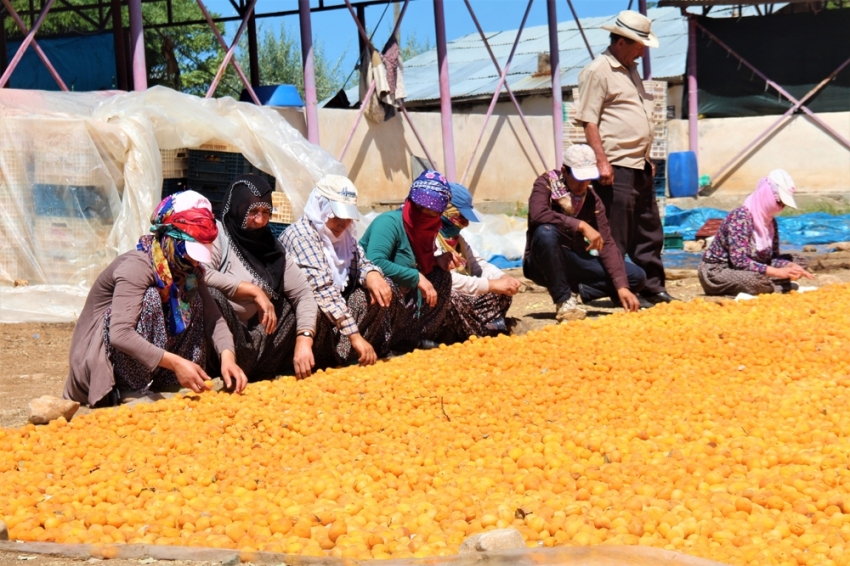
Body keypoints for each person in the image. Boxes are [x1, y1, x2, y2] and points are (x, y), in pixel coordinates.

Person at [64, 191, 247, 408]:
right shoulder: (137, 266)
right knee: (150, 297)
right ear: (171, 238)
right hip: (98, 360)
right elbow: (120, 334)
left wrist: (228, 358)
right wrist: (176, 362)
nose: (194, 261)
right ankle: (129, 389)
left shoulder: (188, 271)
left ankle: (169, 383)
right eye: (190, 251)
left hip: (153, 360)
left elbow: (213, 319)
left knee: (192, 296)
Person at [574, 10, 675, 305]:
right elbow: (588, 120)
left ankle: (652, 285)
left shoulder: (631, 70)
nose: (643, 51)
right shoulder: (598, 70)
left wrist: (646, 156)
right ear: (621, 42)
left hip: (639, 163)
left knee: (649, 229)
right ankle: (622, 290)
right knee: (616, 232)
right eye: (639, 44)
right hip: (615, 164)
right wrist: (601, 161)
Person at [203, 174, 320, 380]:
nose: (260, 221)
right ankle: (223, 366)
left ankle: (259, 367)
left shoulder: (271, 249)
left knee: (295, 309)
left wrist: (304, 338)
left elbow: (303, 293)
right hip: (217, 342)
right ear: (237, 208)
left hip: (256, 343)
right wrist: (252, 290)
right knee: (213, 296)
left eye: (266, 212)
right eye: (253, 212)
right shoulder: (217, 235)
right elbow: (201, 275)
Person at [524, 144, 648, 322]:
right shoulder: (546, 184)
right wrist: (580, 224)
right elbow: (538, 214)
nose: (584, 184)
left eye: (588, 179)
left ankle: (576, 291)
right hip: (541, 261)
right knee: (546, 232)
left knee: (635, 278)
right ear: (565, 171)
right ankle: (564, 301)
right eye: (578, 178)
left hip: (574, 261)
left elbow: (607, 243)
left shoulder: (591, 199)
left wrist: (621, 286)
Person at [280, 175, 393, 368]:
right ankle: (318, 355)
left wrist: (372, 275)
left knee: (381, 287)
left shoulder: (346, 238)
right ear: (321, 209)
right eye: (337, 216)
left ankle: (340, 355)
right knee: (315, 305)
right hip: (305, 322)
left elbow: (361, 263)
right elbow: (323, 289)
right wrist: (355, 336)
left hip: (335, 321)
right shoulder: (301, 236)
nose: (344, 223)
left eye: (348, 217)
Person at [360, 170, 456, 351]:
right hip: (374, 297)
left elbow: (413, 261)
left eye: (431, 212)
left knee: (441, 278)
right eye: (420, 208)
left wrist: (435, 262)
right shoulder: (389, 223)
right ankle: (379, 342)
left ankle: (412, 338)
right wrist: (416, 277)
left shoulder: (429, 230)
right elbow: (374, 262)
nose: (424, 214)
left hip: (405, 300)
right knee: (385, 282)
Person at [698, 170, 814, 296]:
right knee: (754, 281)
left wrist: (789, 265)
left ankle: (770, 285)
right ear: (767, 195)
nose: (780, 208)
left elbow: (772, 258)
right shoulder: (741, 218)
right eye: (779, 202)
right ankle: (774, 286)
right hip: (720, 271)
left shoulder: (770, 222)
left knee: (799, 262)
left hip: (753, 267)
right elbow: (739, 261)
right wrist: (778, 273)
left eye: (783, 205)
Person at [434, 183, 521, 340]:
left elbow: (478, 265)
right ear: (446, 212)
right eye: (461, 218)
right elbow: (448, 281)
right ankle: (468, 331)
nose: (466, 224)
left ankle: (478, 328)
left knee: (502, 292)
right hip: (441, 301)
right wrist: (490, 285)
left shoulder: (458, 241)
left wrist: (502, 278)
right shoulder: (431, 240)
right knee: (453, 298)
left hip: (466, 295)